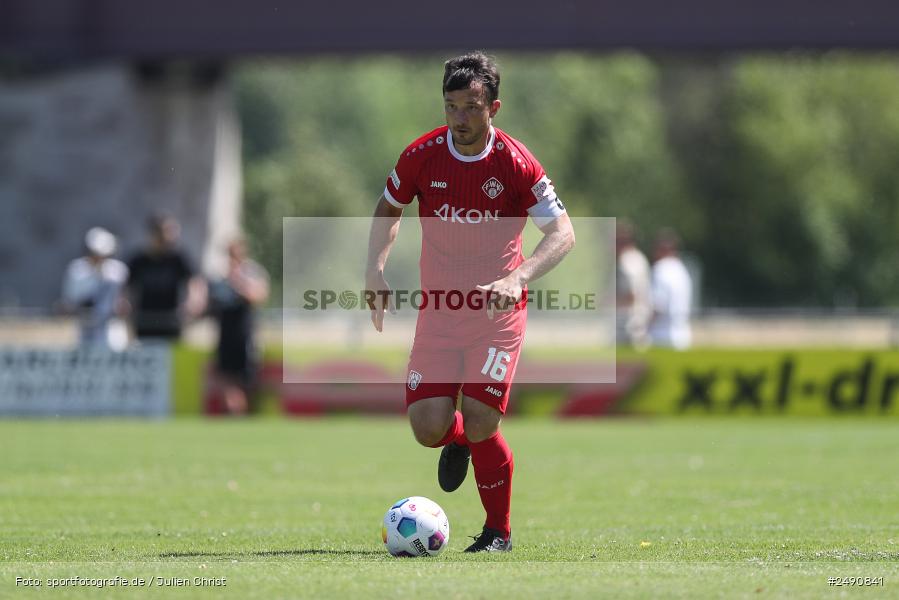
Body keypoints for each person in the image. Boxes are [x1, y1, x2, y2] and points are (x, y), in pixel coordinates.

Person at [365, 52, 575, 552]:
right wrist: (373, 269)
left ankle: (497, 532)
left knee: (484, 419)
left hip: (495, 316)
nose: (459, 118)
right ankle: (455, 438)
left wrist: (518, 277)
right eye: (451, 106)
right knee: (426, 427)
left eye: (470, 107)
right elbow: (388, 207)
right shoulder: (421, 155)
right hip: (438, 312)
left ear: (493, 108)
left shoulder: (517, 164)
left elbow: (563, 232)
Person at [207, 239, 270, 415]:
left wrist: (238, 283)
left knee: (247, 382)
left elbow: (259, 296)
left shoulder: (252, 272)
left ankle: (243, 414)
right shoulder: (220, 276)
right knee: (227, 380)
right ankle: (232, 414)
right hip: (225, 334)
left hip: (245, 334)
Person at [126, 213, 206, 341]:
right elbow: (126, 284)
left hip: (170, 320)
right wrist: (125, 302)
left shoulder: (178, 259)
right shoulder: (138, 260)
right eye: (166, 233)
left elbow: (194, 280)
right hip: (144, 320)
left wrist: (194, 300)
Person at [61, 227, 130, 350]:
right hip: (84, 327)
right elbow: (70, 300)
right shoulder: (77, 271)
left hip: (111, 327)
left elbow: (123, 298)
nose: (99, 257)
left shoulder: (118, 271)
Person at [649, 228, 693, 350]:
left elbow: (658, 306)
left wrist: (643, 329)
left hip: (662, 337)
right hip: (682, 336)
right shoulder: (681, 270)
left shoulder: (661, 269)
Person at [615, 221, 651, 349]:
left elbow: (632, 295)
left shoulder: (627, 261)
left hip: (630, 323)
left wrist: (606, 301)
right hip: (640, 319)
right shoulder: (640, 257)